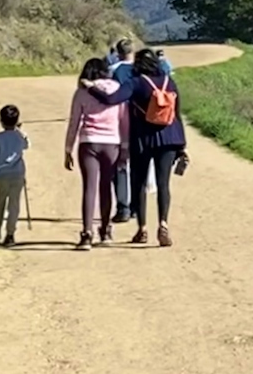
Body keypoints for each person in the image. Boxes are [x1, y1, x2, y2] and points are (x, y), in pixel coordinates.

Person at [84, 48, 187, 248]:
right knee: (163, 184)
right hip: (170, 137)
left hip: (142, 138)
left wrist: (90, 87)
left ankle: (142, 229)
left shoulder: (135, 83)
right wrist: (182, 145)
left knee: (138, 183)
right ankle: (163, 223)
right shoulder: (169, 82)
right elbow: (177, 113)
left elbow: (111, 99)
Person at [65, 57, 129, 249]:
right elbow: (124, 120)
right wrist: (125, 147)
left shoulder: (82, 92)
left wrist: (68, 148)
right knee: (106, 187)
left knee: (89, 188)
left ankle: (86, 234)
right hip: (112, 143)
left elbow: (74, 122)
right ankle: (105, 231)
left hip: (88, 141)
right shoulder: (117, 88)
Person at [0, 104, 28, 247]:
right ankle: (10, 234)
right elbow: (27, 145)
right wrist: (19, 131)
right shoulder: (19, 136)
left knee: (0, 202)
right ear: (17, 121)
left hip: (1, 175)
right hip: (17, 174)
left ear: (1, 121)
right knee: (14, 205)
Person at [107, 39, 135, 223]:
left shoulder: (113, 70)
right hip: (142, 120)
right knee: (139, 164)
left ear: (117, 52)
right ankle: (136, 207)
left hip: (120, 120)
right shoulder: (142, 68)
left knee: (120, 165)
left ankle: (123, 206)